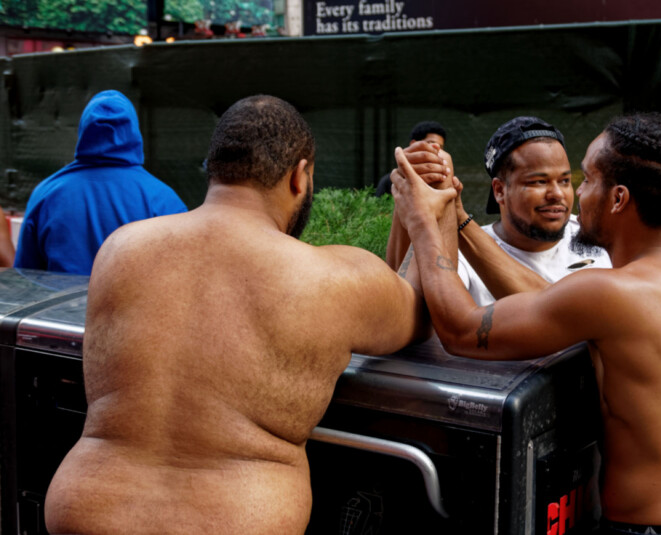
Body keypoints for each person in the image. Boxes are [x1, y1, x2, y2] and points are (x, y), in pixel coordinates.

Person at [44, 95, 453, 535]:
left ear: (214, 168)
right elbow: (425, 305)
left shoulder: (122, 248)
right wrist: (429, 209)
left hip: (86, 512)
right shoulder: (332, 278)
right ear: (300, 176)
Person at [390, 113, 661, 534]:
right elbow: (545, 302)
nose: (573, 195)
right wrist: (458, 218)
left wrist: (424, 221)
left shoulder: (611, 291)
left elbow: (463, 330)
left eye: (585, 179)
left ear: (618, 199)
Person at [398, 116, 611, 304]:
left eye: (565, 180)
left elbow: (560, 313)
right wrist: (406, 198)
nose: (557, 193)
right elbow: (413, 305)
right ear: (499, 191)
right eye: (538, 181)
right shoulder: (461, 255)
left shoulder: (599, 236)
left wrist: (459, 220)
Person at [14, 90, 187, 275]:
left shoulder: (46, 194)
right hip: (133, 305)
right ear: (134, 132)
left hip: (63, 304)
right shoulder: (163, 200)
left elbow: (26, 278)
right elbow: (182, 279)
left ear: (84, 130)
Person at [375, 120, 447, 198]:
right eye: (431, 143)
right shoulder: (391, 181)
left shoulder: (443, 180)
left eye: (441, 147)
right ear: (414, 144)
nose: (437, 150)